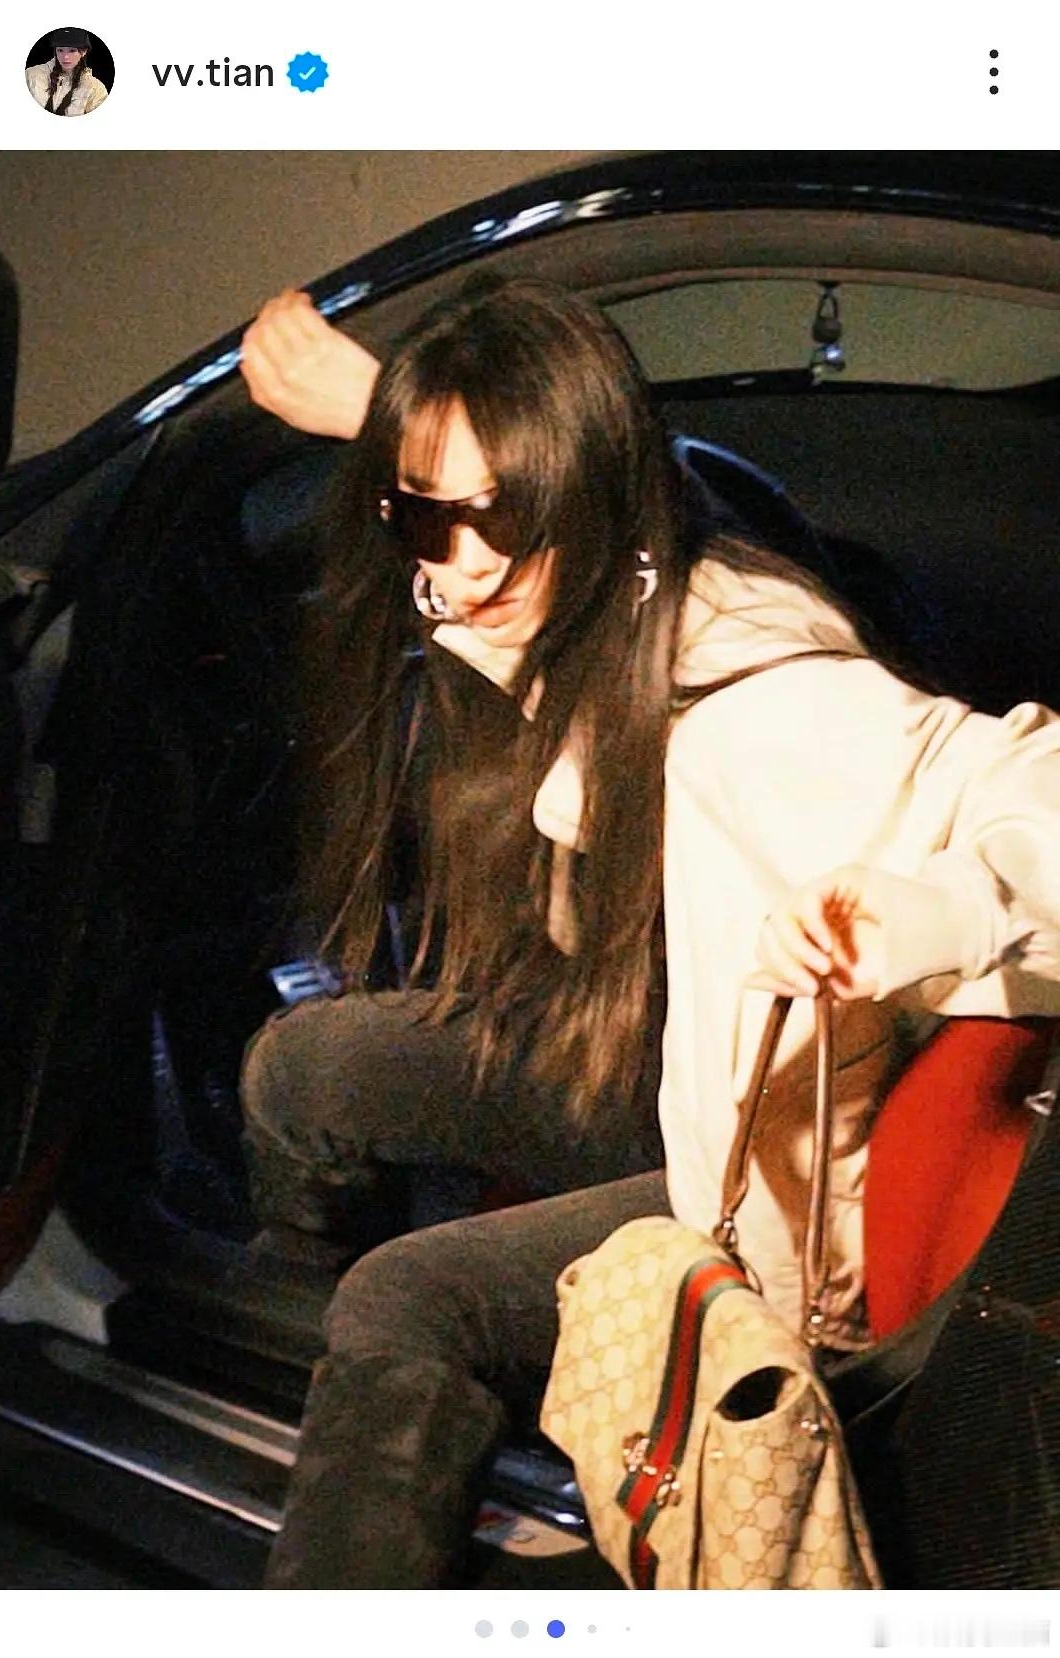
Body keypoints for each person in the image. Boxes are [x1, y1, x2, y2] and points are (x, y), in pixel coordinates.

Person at [237, 278, 1060, 1588]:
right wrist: (390, 418)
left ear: (599, 507)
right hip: (672, 1061)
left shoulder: (769, 705)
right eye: (426, 517)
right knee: (302, 1070)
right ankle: (306, 1402)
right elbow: (576, 509)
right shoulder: (599, 593)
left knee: (404, 1294)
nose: (468, 567)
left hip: (762, 1198)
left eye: (511, 515)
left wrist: (933, 914)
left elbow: (1035, 794)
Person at [26, 29, 108, 117]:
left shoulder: (95, 88)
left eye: (72, 50)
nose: (65, 57)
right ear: (55, 51)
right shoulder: (32, 75)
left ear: (84, 52)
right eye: (60, 50)